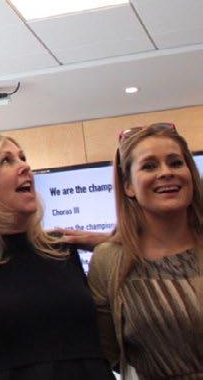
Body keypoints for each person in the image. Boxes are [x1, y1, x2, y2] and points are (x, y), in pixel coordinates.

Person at [0, 132, 111, 379]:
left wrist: (112, 246)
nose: (25, 166)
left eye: (22, 157)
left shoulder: (60, 248)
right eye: (6, 161)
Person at [86, 122, 203, 378]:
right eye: (149, 166)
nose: (166, 172)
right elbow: (107, 354)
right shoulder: (108, 261)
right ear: (128, 186)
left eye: (175, 163)